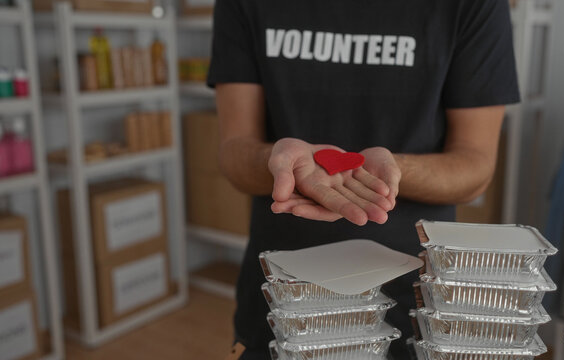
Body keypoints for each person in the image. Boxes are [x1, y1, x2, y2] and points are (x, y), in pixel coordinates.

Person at [208, 0, 520, 357]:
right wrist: (278, 161)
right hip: (284, 296)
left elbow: (476, 166)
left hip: (414, 298)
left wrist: (395, 170)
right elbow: (233, 152)